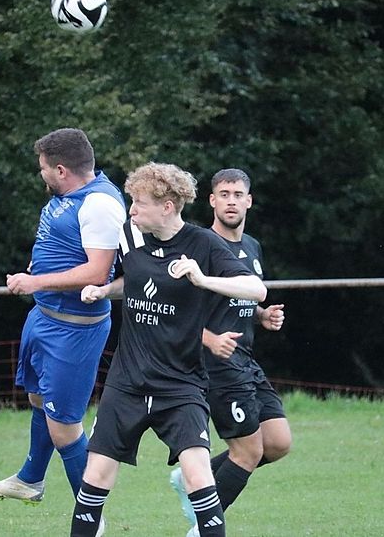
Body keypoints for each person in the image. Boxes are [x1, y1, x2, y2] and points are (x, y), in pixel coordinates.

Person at [71, 162, 268, 537]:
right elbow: (135, 280)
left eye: (139, 202)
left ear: (168, 206)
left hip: (180, 385)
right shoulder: (131, 235)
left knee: (198, 474)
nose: (131, 210)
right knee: (94, 476)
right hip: (126, 382)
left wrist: (202, 279)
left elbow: (257, 290)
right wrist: (103, 290)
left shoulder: (203, 244)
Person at [0, 128, 126, 531]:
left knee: (65, 426)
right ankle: (30, 479)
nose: (40, 175)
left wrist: (36, 282)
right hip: (45, 319)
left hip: (73, 330)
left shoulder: (99, 205)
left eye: (43, 168)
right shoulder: (67, 196)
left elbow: (98, 271)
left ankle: (92, 518)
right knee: (39, 399)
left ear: (61, 169)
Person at [169, 168, 291, 537]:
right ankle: (204, 528)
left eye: (238, 194)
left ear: (249, 201)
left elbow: (237, 295)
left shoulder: (251, 247)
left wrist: (261, 314)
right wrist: (208, 339)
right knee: (247, 452)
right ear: (212, 201)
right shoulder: (199, 245)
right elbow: (175, 311)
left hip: (245, 358)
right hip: (215, 362)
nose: (231, 200)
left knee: (278, 443)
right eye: (224, 194)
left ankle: (187, 479)